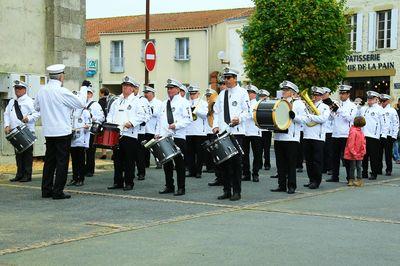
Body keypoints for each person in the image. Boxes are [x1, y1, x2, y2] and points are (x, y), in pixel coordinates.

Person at [34, 64, 88, 199]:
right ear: (61, 76)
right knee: (62, 162)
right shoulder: (62, 91)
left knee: (49, 162)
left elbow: (36, 107)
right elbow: (81, 103)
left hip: (49, 131)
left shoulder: (42, 91)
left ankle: (46, 190)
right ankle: (58, 191)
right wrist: (84, 88)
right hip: (62, 131)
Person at [212, 67, 251, 201]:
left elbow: (248, 112)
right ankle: (226, 190)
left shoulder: (242, 93)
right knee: (224, 164)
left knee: (235, 164)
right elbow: (216, 112)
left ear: (235, 78)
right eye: (225, 78)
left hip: (236, 132)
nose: (226, 80)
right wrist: (215, 126)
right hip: (223, 133)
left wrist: (239, 119)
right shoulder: (222, 94)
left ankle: (237, 192)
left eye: (229, 78)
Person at [106, 76, 147, 190]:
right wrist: (110, 124)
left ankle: (129, 183)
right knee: (117, 160)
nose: (125, 88)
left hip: (130, 134)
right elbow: (110, 114)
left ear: (133, 89)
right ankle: (117, 182)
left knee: (129, 160)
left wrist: (132, 122)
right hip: (116, 134)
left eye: (128, 86)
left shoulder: (137, 101)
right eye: (124, 86)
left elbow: (142, 116)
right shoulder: (116, 101)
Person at [156, 78, 192, 196]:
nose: (169, 90)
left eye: (172, 88)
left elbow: (188, 119)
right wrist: (158, 133)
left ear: (177, 89)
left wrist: (176, 125)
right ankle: (169, 185)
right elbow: (160, 121)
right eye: (168, 88)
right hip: (165, 136)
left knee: (179, 164)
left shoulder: (184, 102)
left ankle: (181, 187)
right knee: (167, 163)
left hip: (178, 136)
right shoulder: (163, 103)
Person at [270, 81, 306, 194]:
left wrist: (294, 116)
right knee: (280, 163)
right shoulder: (279, 102)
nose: (283, 92)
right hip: (279, 136)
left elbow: (305, 119)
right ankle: (281, 185)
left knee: (291, 164)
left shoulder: (298, 104)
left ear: (292, 92)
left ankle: (291, 186)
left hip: (291, 138)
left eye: (286, 90)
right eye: (283, 90)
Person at [4, 80, 40, 182]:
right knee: (18, 154)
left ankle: (27, 175)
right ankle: (19, 174)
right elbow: (6, 114)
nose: (17, 90)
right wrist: (6, 125)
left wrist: (28, 118)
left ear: (25, 89)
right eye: (16, 88)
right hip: (14, 131)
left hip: (26, 131)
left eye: (20, 88)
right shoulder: (12, 101)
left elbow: (37, 113)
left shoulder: (29, 101)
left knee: (27, 155)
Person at [326, 85, 356, 183]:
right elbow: (331, 118)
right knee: (334, 157)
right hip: (335, 133)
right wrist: (331, 111)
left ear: (348, 94)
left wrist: (338, 110)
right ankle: (335, 176)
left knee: (347, 157)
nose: (341, 95)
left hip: (346, 134)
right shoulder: (337, 104)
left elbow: (350, 118)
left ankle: (349, 177)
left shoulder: (352, 106)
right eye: (340, 93)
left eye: (343, 93)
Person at [302, 87, 330, 189]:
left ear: (321, 96)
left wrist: (311, 117)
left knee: (317, 160)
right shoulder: (308, 106)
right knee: (308, 160)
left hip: (318, 137)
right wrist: (309, 116)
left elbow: (323, 119)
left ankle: (317, 181)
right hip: (307, 135)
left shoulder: (325, 107)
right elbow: (304, 118)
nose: (315, 97)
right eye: (314, 95)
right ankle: (311, 180)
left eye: (317, 95)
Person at [360, 90, 388, 180]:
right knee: (364, 155)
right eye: (368, 99)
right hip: (363, 135)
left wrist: (383, 135)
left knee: (373, 156)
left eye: (371, 99)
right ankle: (364, 172)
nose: (369, 100)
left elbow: (384, 123)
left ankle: (374, 173)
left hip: (374, 136)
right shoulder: (363, 108)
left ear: (376, 99)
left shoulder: (380, 110)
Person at [185, 85, 208, 178]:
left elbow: (205, 115)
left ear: (198, 93)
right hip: (189, 131)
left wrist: (196, 110)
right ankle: (191, 170)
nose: (192, 95)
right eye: (190, 93)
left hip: (199, 132)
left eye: (194, 93)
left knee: (199, 153)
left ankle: (198, 171)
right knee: (190, 153)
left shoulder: (203, 103)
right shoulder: (186, 103)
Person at [68, 98, 91, 186]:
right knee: (74, 160)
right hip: (72, 138)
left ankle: (81, 178)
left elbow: (89, 123)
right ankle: (74, 178)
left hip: (81, 138)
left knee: (81, 160)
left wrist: (87, 126)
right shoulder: (71, 110)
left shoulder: (85, 111)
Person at [242, 84, 262, 182]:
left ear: (254, 94)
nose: (249, 94)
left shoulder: (258, 104)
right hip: (244, 131)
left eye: (250, 93)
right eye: (247, 92)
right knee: (244, 154)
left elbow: (252, 115)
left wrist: (243, 115)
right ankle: (246, 173)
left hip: (255, 131)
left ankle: (255, 173)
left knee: (257, 154)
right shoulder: (243, 103)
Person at [84, 82, 105, 177]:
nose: (86, 94)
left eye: (88, 93)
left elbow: (102, 118)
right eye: (85, 92)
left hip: (91, 131)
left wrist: (92, 117)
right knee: (81, 151)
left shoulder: (95, 105)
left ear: (91, 94)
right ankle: (83, 169)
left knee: (90, 152)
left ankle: (90, 170)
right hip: (82, 131)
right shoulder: (80, 103)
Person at [132, 81, 151, 180]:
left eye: (135, 88)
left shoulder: (142, 100)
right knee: (129, 153)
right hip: (128, 131)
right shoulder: (126, 99)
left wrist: (143, 121)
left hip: (139, 131)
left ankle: (141, 172)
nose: (133, 89)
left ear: (137, 89)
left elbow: (148, 114)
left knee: (139, 153)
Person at [378, 94, 399, 176]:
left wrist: (394, 135)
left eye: (384, 101)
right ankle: (378, 169)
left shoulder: (392, 110)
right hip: (379, 134)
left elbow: (396, 124)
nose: (382, 103)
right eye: (381, 101)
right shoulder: (379, 110)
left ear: (388, 101)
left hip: (388, 135)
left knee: (388, 154)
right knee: (379, 153)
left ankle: (388, 169)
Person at [143, 85, 163, 168]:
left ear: (152, 93)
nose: (146, 94)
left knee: (155, 147)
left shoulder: (158, 103)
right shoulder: (144, 102)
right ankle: (146, 163)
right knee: (145, 147)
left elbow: (159, 115)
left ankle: (159, 161)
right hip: (145, 129)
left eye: (147, 93)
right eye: (145, 93)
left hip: (154, 129)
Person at [344, 116, 366, 187]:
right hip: (354, 153)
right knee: (353, 167)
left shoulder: (360, 131)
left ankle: (358, 180)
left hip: (358, 153)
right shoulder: (354, 132)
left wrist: (363, 151)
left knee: (357, 167)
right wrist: (353, 152)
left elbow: (363, 142)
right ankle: (351, 179)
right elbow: (351, 143)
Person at [258, 89, 272, 170]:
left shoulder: (269, 105)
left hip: (267, 130)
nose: (262, 98)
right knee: (259, 149)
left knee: (266, 149)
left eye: (264, 96)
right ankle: (259, 164)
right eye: (261, 96)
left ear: (267, 97)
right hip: (259, 130)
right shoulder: (257, 104)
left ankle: (267, 164)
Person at [321, 87, 334, 175]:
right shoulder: (320, 104)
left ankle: (330, 167)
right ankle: (323, 167)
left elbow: (334, 116)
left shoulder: (333, 103)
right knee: (322, 150)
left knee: (329, 150)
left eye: (324, 93)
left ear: (328, 93)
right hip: (322, 130)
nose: (322, 95)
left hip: (330, 129)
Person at [98, 87, 112, 159]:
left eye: (100, 92)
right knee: (110, 137)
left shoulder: (101, 101)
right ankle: (113, 153)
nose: (99, 93)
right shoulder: (110, 100)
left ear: (102, 93)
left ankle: (104, 153)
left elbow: (100, 111)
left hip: (103, 121)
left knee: (103, 137)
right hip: (110, 121)